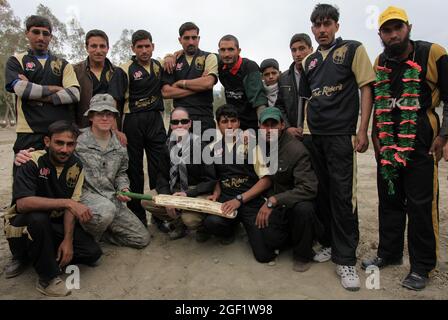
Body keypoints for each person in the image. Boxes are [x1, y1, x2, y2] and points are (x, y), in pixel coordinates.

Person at [362, 6, 448, 291]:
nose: (393, 34)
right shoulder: (379, 61)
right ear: (380, 34)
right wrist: (376, 138)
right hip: (388, 142)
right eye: (387, 30)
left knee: (421, 205)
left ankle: (422, 266)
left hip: (422, 140)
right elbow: (379, 102)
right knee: (389, 201)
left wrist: (444, 136)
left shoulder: (432, 53)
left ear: (408, 27)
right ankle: (389, 253)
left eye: (398, 28)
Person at [301, 4, 376, 291]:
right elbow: (308, 100)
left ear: (336, 26)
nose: (322, 30)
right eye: (317, 25)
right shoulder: (309, 61)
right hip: (315, 136)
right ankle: (332, 245)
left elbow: (366, 87)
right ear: (312, 29)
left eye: (327, 24)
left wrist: (362, 130)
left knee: (344, 197)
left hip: (341, 135)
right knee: (323, 194)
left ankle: (346, 260)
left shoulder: (353, 49)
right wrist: (306, 134)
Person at [14, 94, 150, 248]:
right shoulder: (76, 139)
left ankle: (100, 235)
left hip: (111, 197)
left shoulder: (120, 145)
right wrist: (22, 156)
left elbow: (121, 173)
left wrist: (123, 188)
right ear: (91, 116)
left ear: (114, 118)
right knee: (106, 211)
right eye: (99, 113)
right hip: (83, 197)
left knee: (141, 239)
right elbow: (53, 152)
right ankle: (84, 235)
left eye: (109, 114)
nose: (105, 118)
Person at [3, 15, 80, 279]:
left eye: (46, 33)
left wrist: (34, 90)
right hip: (29, 135)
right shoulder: (17, 59)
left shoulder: (63, 64)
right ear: (27, 34)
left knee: (59, 188)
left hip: (60, 135)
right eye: (36, 32)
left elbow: (74, 93)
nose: (41, 37)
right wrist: (51, 90)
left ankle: (53, 243)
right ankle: (18, 255)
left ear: (51, 36)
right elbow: (17, 87)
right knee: (21, 197)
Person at [3, 121, 102, 296]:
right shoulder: (31, 160)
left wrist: (68, 240)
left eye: (70, 144)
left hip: (51, 225)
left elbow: (72, 205)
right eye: (59, 143)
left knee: (92, 253)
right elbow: (23, 204)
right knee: (37, 218)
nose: (65, 149)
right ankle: (46, 277)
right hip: (23, 225)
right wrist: (68, 203)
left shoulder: (76, 166)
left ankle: (42, 255)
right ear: (47, 141)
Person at [204, 104, 283, 263]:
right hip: (227, 201)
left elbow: (266, 180)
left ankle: (251, 228)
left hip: (249, 201)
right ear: (217, 124)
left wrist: (239, 200)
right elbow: (218, 178)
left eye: (234, 121)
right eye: (225, 122)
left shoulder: (251, 144)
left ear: (239, 123)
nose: (230, 126)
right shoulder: (212, 149)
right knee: (211, 223)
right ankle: (231, 229)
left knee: (264, 255)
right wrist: (216, 194)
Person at [108, 30, 167, 226]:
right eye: (139, 47)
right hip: (132, 121)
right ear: (133, 48)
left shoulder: (158, 66)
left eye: (147, 46)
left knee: (159, 166)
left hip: (156, 120)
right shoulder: (123, 70)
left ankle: (159, 216)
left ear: (153, 46)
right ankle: (138, 217)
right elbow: (114, 102)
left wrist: (171, 55)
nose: (144, 50)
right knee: (134, 170)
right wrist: (116, 130)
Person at [257, 107, 321, 272]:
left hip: (291, 204)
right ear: (259, 126)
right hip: (274, 205)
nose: (269, 129)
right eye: (265, 125)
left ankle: (302, 254)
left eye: (274, 124)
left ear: (282, 125)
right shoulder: (258, 146)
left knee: (305, 209)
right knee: (270, 242)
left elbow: (308, 188)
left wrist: (275, 200)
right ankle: (289, 238)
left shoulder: (296, 150)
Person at [142, 108, 217, 240]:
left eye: (184, 121)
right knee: (146, 201)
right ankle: (178, 224)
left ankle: (203, 227)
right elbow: (162, 176)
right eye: (175, 122)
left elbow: (210, 181)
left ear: (190, 123)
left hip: (196, 191)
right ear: (171, 125)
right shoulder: (166, 146)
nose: (180, 125)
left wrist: (188, 194)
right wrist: (167, 198)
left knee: (190, 219)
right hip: (174, 189)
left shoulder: (201, 146)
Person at [161, 22, 219, 133]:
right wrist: (198, 87)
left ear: (199, 38)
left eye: (194, 37)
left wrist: (180, 83)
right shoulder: (172, 61)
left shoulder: (209, 57)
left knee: (199, 150)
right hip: (179, 120)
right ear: (180, 40)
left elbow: (207, 83)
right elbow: (166, 93)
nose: (191, 42)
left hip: (202, 118)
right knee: (175, 151)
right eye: (186, 38)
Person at [218, 35, 268, 131]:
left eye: (231, 49)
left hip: (253, 124)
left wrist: (263, 127)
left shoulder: (249, 67)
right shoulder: (220, 65)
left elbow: (259, 102)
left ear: (239, 51)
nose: (226, 54)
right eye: (223, 50)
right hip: (234, 124)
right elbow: (203, 56)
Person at [276, 33, 314, 147]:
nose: (297, 54)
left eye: (302, 49)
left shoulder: (319, 73)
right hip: (292, 136)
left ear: (311, 50)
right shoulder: (284, 78)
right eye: (294, 50)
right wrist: (287, 127)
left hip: (315, 134)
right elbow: (279, 105)